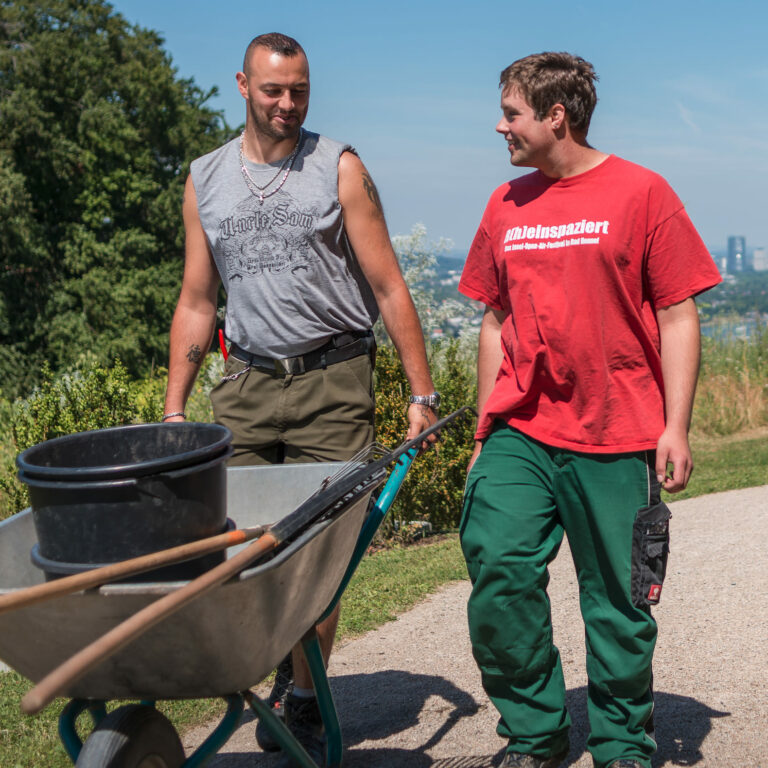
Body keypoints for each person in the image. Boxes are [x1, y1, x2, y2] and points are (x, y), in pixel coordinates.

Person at [163, 32, 439, 766]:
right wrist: (172, 409)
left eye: (301, 91)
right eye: (274, 90)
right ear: (243, 85)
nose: (288, 104)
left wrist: (422, 393)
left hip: (332, 379)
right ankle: (268, 668)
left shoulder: (339, 168)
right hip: (246, 382)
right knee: (240, 541)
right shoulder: (205, 178)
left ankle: (307, 694)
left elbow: (387, 286)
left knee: (316, 549)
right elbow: (197, 299)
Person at [458, 52, 721, 768]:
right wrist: (485, 426)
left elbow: (677, 313)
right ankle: (536, 733)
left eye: (511, 113)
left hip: (617, 429)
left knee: (617, 602)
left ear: (555, 116)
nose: (500, 126)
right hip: (522, 428)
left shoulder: (642, 193)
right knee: (499, 567)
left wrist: (674, 424)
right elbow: (492, 320)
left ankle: (621, 743)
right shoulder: (504, 204)